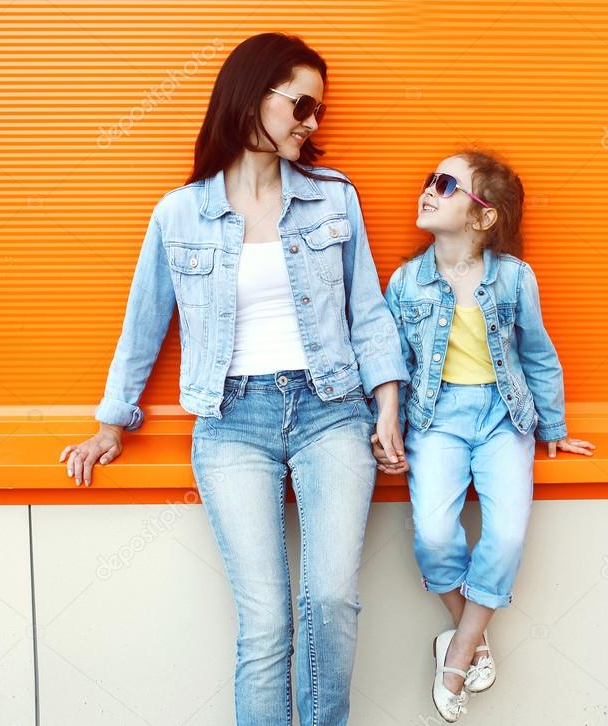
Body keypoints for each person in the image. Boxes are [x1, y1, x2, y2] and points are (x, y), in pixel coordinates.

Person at [59, 32, 409, 726]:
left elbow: (367, 311)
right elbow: (144, 323)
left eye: (318, 113)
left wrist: (387, 405)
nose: (311, 124)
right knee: (265, 620)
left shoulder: (334, 198)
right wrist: (111, 421)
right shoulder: (180, 212)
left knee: (332, 599)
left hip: (330, 410)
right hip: (232, 421)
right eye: (302, 105)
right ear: (253, 96)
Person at [371, 149, 595, 721]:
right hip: (435, 419)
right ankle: (470, 635)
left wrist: (556, 426)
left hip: (503, 420)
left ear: (483, 216)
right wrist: (384, 426)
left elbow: (540, 356)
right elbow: (387, 360)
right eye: (429, 179)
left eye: (446, 184)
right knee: (435, 534)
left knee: (507, 537)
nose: (428, 189)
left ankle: (459, 650)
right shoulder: (405, 282)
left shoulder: (515, 279)